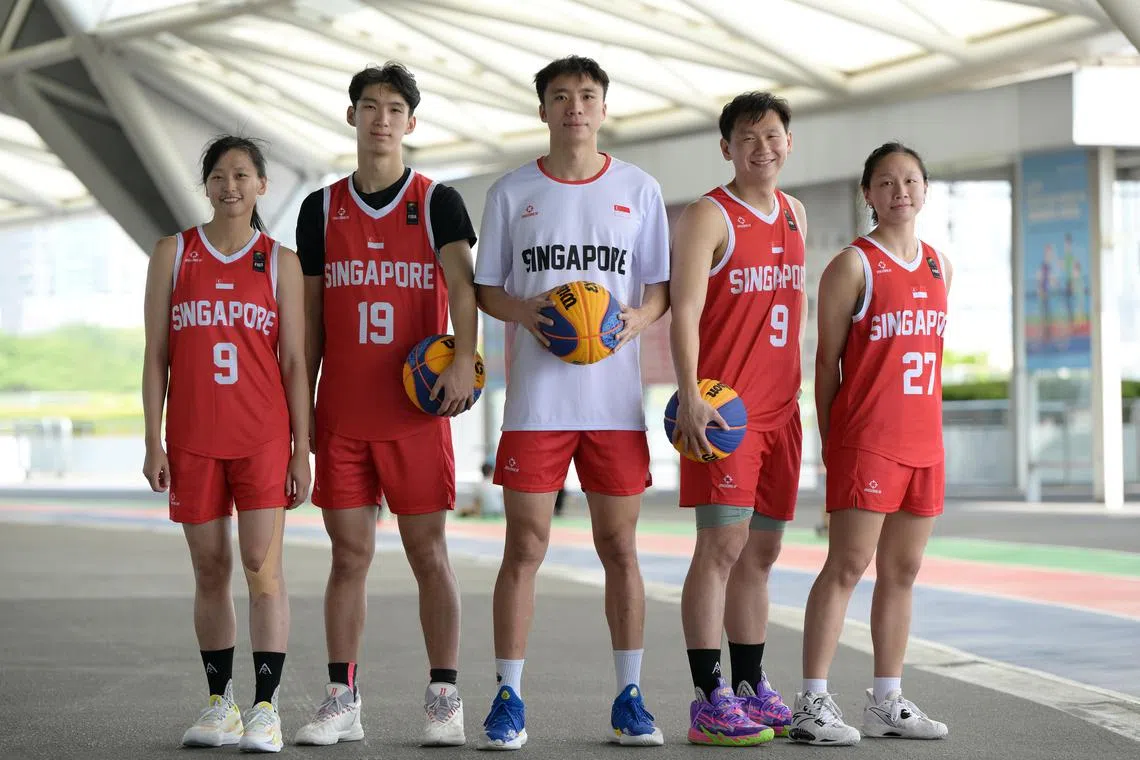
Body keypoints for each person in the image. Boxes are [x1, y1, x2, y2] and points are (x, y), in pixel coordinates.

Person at [473, 55, 670, 749]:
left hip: (613, 406)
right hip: (536, 405)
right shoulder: (511, 192)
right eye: (561, 97)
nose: (575, 108)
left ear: (604, 107)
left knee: (620, 545)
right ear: (544, 110)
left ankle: (629, 698)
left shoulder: (640, 190)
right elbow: (487, 289)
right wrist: (529, 314)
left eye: (587, 96)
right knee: (523, 545)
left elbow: (660, 290)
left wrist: (634, 323)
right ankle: (508, 697)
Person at [292, 62, 479, 748]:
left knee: (429, 553)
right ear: (352, 117)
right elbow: (309, 320)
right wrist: (301, 415)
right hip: (342, 413)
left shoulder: (437, 202)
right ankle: (342, 697)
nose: (381, 119)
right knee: (348, 556)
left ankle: (444, 697)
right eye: (369, 106)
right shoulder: (321, 208)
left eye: (394, 108)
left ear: (411, 122)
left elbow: (463, 288)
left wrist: (463, 357)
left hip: (414, 414)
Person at [141, 135, 311, 753]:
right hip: (192, 440)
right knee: (209, 569)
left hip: (262, 439)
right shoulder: (173, 253)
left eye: (242, 174)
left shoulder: (281, 262)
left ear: (262, 185)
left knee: (263, 569)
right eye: (219, 175)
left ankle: (266, 709)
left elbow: (294, 361)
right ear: (206, 185)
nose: (230, 185)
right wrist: (153, 440)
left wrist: (301, 448)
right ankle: (221, 704)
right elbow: (156, 354)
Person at [789, 142, 951, 746]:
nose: (900, 191)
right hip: (868, 443)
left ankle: (887, 699)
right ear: (868, 194)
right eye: (886, 182)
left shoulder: (940, 265)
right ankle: (812, 701)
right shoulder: (853, 265)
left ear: (925, 189)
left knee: (902, 571)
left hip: (924, 443)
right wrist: (833, 445)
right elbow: (826, 363)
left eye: (910, 179)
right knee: (847, 566)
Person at [669, 92, 805, 746]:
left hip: (784, 413)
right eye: (748, 137)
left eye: (773, 135)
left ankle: (750, 682)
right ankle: (706, 695)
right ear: (727, 147)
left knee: (764, 550)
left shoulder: (797, 214)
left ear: (788, 142)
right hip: (726, 412)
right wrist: (690, 392)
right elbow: (686, 311)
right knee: (721, 546)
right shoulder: (708, 215)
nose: (762, 147)